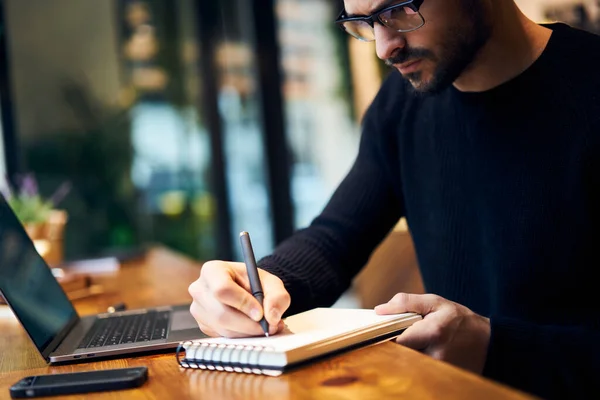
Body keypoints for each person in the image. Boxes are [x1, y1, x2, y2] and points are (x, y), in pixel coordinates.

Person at [188, 0, 600, 398]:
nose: (385, 47)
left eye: (400, 10)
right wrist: (262, 283)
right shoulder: (402, 104)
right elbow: (335, 237)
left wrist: (496, 347)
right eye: (365, 22)